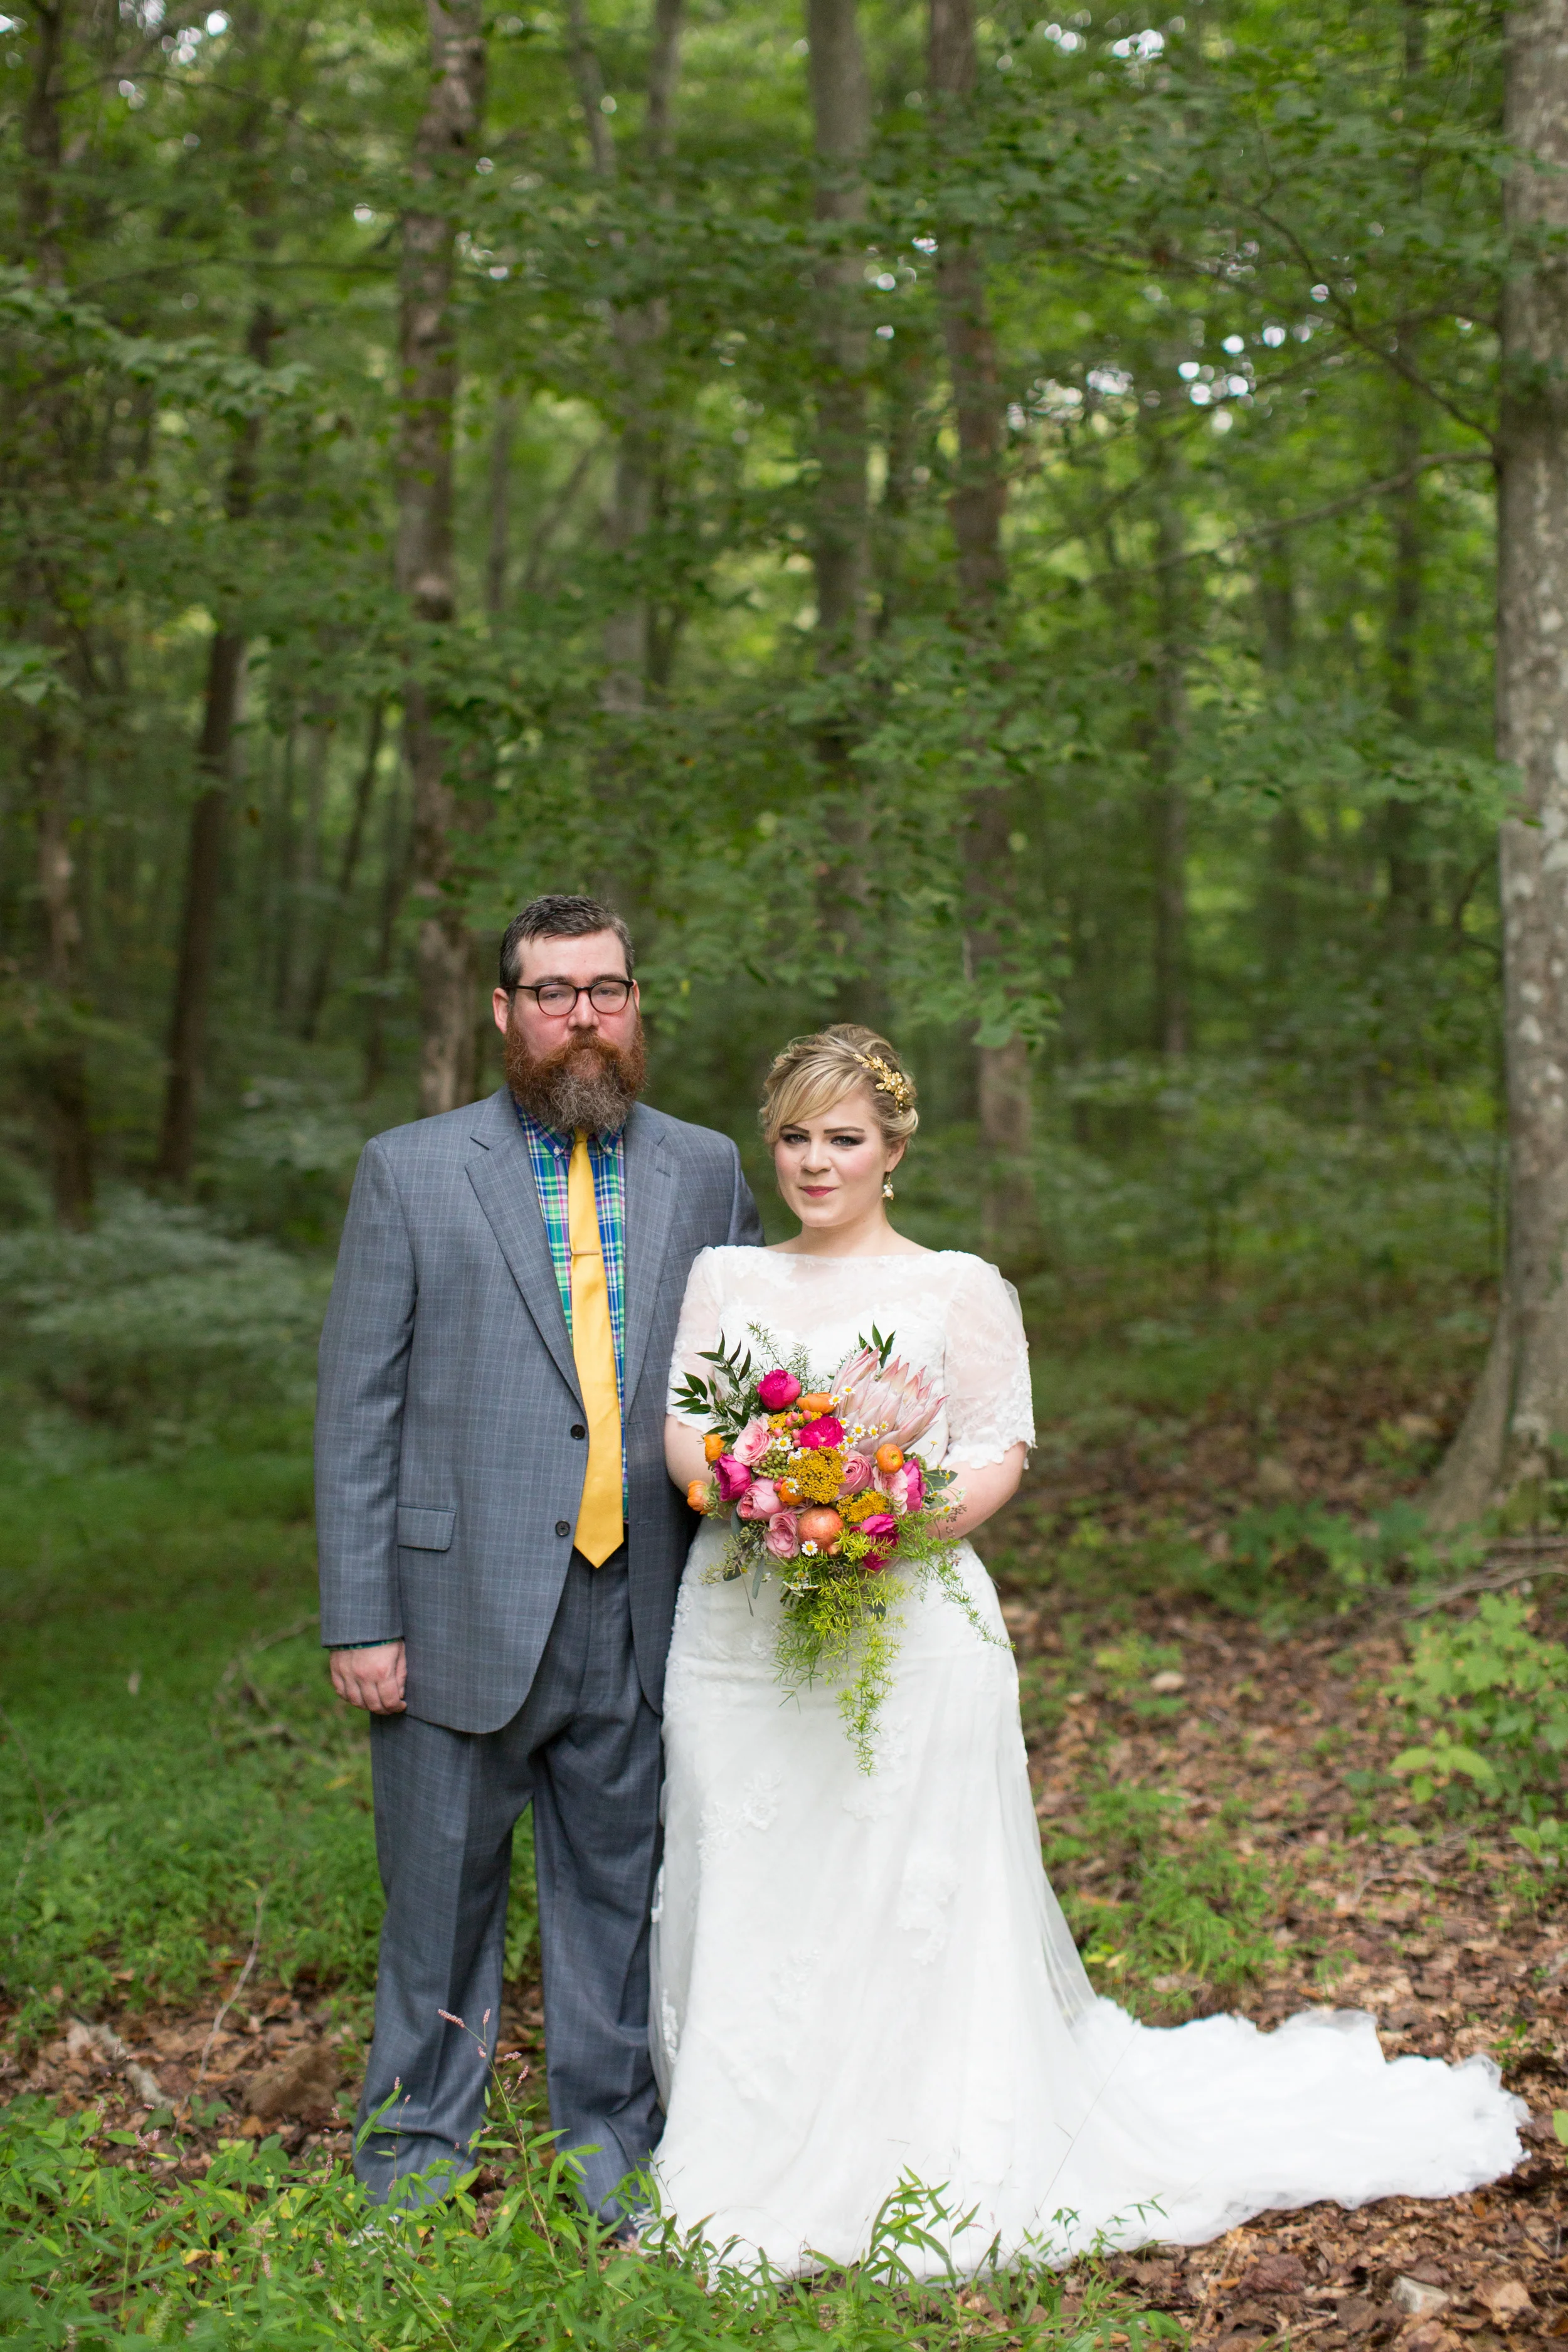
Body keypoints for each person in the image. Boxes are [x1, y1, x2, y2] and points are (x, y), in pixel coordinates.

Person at [651, 1022, 1525, 2274]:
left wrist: (869, 1521)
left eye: (841, 1137)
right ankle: (746, 2149)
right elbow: (689, 1431)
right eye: (792, 1136)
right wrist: (767, 1497)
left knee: (902, 1882)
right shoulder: (726, 1281)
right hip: (740, 1616)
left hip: (908, 1620)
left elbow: (996, 1449)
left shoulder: (957, 1286)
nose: (814, 1161)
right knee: (757, 1861)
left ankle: (915, 2149)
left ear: (893, 1149)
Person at [315, 893, 764, 2218]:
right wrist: (358, 1616)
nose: (584, 1017)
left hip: (642, 1604)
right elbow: (359, 1406)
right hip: (451, 1610)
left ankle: (611, 2157)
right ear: (505, 1010)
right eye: (555, 992)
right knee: (435, 1913)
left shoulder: (705, 1168)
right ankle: (411, 2161)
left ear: (635, 1007)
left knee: (616, 1904)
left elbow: (736, 1391)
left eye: (606, 991)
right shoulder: (411, 1168)